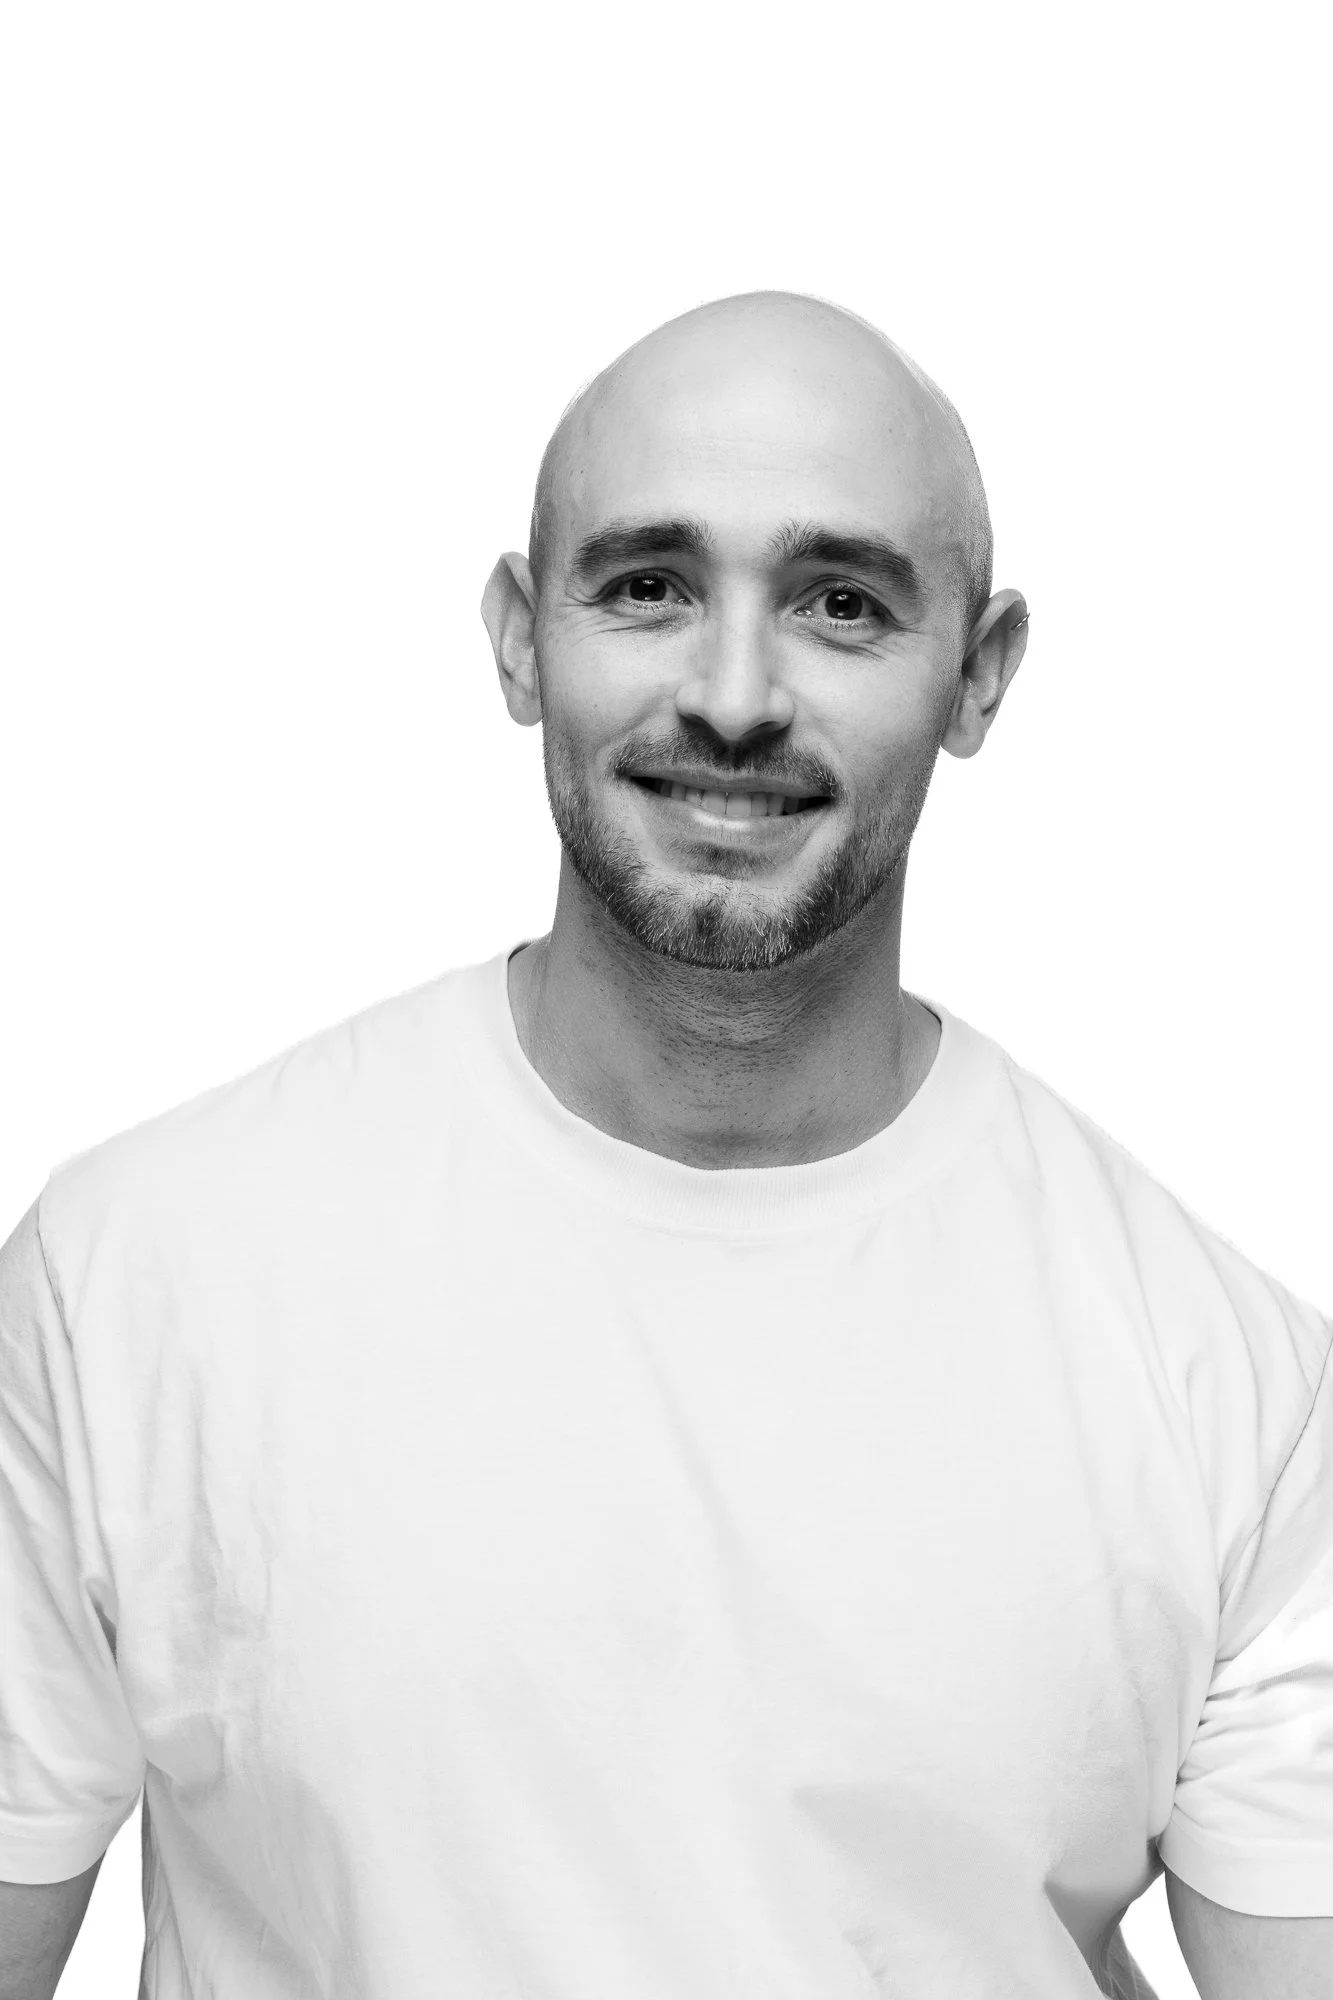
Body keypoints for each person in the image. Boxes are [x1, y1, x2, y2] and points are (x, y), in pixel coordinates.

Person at [0, 291, 1329, 2000]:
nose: (734, 698)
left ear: (981, 673)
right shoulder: (131, 1281)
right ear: (516, 639)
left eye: (842, 604)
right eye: (648, 586)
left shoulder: (1232, 1392)